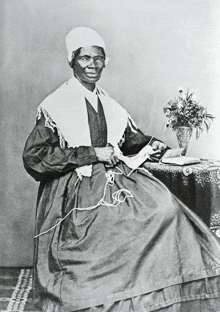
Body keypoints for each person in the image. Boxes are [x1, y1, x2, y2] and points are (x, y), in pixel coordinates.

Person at [23, 27, 220, 312]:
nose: (92, 65)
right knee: (109, 224)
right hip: (76, 187)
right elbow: (35, 157)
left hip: (116, 177)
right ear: (72, 61)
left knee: (164, 208)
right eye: (85, 58)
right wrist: (92, 153)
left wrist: (161, 148)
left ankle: (151, 292)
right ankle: (103, 294)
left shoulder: (110, 104)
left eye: (98, 59)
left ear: (105, 62)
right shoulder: (55, 105)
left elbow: (131, 140)